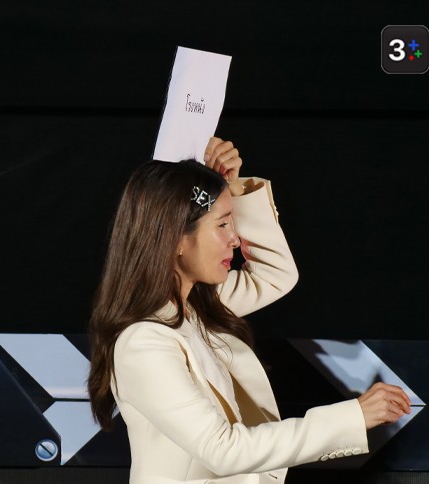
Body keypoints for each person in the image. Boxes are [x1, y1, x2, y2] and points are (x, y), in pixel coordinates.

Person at [87, 137, 411, 483]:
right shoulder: (143, 342)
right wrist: (353, 417)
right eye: (222, 224)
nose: (235, 238)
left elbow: (276, 273)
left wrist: (233, 189)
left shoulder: (198, 305)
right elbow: (222, 449)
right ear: (177, 239)